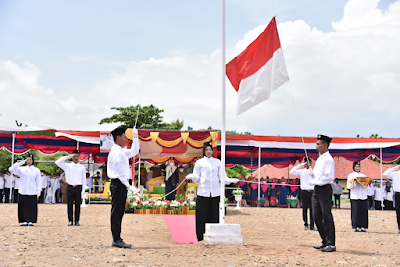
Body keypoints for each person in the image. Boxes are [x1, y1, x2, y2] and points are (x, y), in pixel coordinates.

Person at [187, 142, 239, 242]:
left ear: (213, 151)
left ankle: (213, 235)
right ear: (204, 151)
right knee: (202, 215)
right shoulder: (199, 162)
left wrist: (231, 180)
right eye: (207, 150)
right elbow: (196, 177)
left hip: (215, 192)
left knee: (215, 214)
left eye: (210, 150)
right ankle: (200, 237)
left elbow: (222, 177)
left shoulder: (218, 162)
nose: (209, 152)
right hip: (203, 192)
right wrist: (192, 177)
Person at [107, 127, 139, 248]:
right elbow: (120, 173)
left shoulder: (120, 150)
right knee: (117, 212)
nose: (126, 139)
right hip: (119, 184)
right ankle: (116, 239)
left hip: (120, 184)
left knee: (119, 211)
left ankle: (117, 237)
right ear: (118, 138)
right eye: (125, 137)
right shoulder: (117, 152)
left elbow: (134, 151)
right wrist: (128, 186)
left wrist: (136, 137)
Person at [309, 134, 336, 252]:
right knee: (316, 216)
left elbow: (328, 177)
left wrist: (315, 181)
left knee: (326, 215)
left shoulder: (328, 159)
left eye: (318, 144)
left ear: (325, 145)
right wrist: (312, 176)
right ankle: (324, 240)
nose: (316, 146)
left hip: (324, 189)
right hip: (317, 189)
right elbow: (318, 175)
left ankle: (331, 243)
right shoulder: (319, 159)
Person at [55, 150, 87, 226]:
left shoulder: (82, 167)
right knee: (69, 205)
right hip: (69, 187)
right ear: (72, 157)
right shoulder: (67, 166)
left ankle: (77, 220)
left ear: (79, 157)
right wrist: (67, 156)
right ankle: (70, 220)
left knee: (77, 205)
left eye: (77, 156)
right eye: (74, 156)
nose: (76, 158)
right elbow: (57, 162)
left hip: (78, 187)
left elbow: (84, 179)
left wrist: (83, 189)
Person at [8, 154, 41, 226]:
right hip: (23, 190)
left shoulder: (36, 170)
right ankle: (24, 220)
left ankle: (31, 221)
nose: (29, 161)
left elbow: (38, 181)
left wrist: (39, 191)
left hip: (32, 191)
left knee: (32, 206)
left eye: (30, 160)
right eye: (28, 160)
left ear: (33, 161)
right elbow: (11, 169)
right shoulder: (21, 169)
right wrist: (20, 163)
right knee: (23, 206)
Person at [290, 157, 315, 231]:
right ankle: (306, 224)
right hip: (304, 192)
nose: (309, 164)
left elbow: (314, 176)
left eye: (310, 163)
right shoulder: (301, 171)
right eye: (307, 163)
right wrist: (301, 164)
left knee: (312, 209)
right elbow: (292, 171)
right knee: (304, 209)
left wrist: (310, 168)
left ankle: (312, 225)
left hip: (311, 192)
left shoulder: (312, 171)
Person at [347, 161, 369, 232]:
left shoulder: (363, 175)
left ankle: (363, 226)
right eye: (356, 166)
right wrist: (354, 182)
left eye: (358, 166)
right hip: (355, 196)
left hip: (363, 195)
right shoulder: (350, 175)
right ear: (353, 167)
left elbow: (367, 186)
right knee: (355, 212)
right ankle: (356, 226)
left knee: (363, 212)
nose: (357, 168)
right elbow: (349, 186)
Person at [383, 165, 400, 233]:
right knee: (398, 211)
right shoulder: (395, 174)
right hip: (398, 194)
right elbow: (385, 174)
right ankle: (399, 227)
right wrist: (395, 167)